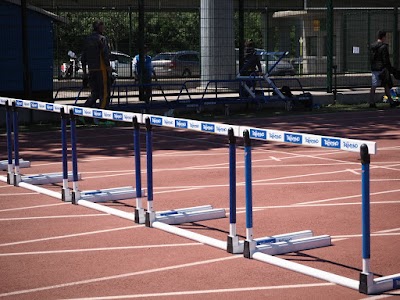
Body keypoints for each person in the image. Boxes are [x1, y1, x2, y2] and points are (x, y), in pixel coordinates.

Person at [81, 20, 112, 110]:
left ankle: (83, 114)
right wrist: (108, 67)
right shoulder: (102, 38)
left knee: (95, 93)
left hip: (91, 70)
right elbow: (105, 54)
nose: (104, 28)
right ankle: (102, 116)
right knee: (105, 94)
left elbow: (83, 56)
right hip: (101, 69)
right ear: (99, 27)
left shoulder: (87, 39)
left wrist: (84, 72)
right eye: (102, 26)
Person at [369, 30, 397, 108]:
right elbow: (386, 59)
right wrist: (390, 68)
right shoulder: (384, 47)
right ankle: (391, 102)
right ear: (383, 37)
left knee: (374, 86)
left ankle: (371, 102)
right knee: (386, 85)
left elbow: (371, 58)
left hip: (375, 68)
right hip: (382, 68)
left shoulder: (372, 46)